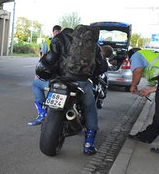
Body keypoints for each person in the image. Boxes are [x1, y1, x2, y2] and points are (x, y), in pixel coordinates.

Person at [40, 26, 108, 155]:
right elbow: (102, 66)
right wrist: (90, 74)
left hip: (59, 79)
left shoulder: (58, 38)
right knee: (90, 108)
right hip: (81, 81)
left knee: (50, 99)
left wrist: (49, 68)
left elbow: (49, 60)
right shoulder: (92, 43)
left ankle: (45, 119)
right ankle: (89, 143)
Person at [28, 25, 61, 126]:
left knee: (36, 84)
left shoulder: (48, 41)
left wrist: (39, 74)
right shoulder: (70, 44)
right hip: (66, 77)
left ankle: (42, 113)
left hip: (53, 75)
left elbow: (42, 58)